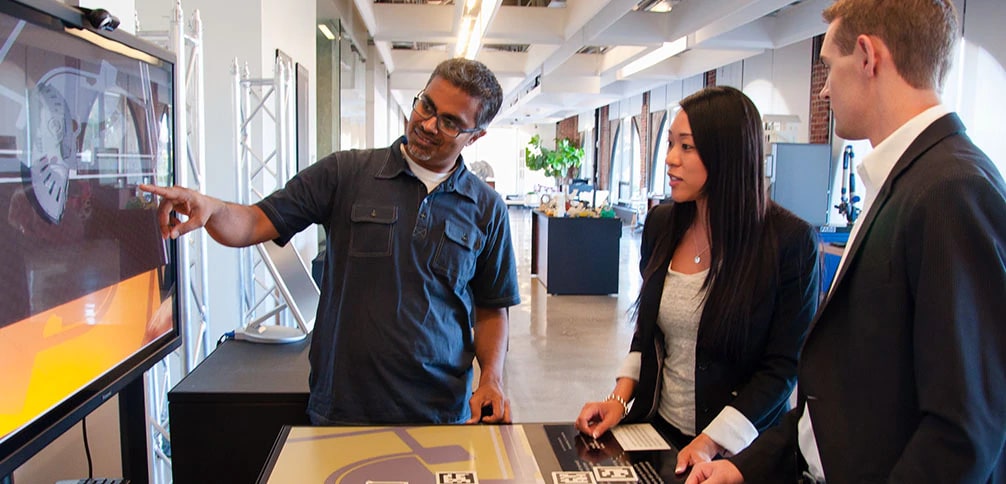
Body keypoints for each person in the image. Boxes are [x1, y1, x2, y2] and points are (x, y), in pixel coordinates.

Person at [687, 1, 1006, 483]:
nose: (823, 88)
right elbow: (842, 397)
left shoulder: (951, 189)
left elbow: (962, 433)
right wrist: (743, 467)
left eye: (829, 67)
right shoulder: (903, 181)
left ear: (867, 57)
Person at [141, 58, 521, 425]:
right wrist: (212, 208)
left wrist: (492, 378)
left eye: (450, 122)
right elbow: (254, 222)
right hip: (344, 408)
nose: (428, 124)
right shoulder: (346, 173)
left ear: (476, 136)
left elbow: (491, 308)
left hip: (440, 412)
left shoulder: (486, 208)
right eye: (426, 105)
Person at [575, 86, 821, 476]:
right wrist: (618, 400)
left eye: (686, 147)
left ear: (728, 154)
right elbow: (648, 335)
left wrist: (710, 441)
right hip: (659, 438)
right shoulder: (662, 224)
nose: (670, 159)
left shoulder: (789, 242)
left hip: (740, 456)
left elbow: (782, 368)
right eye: (670, 144)